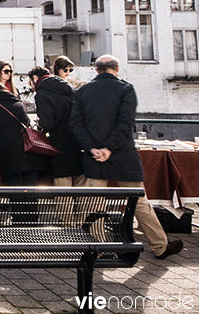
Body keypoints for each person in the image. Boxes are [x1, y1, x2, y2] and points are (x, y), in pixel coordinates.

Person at [70, 54, 183, 259]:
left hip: (94, 157)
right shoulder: (125, 89)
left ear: (96, 70)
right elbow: (125, 123)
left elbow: (77, 124)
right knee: (139, 202)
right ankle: (160, 246)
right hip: (123, 155)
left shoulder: (82, 91)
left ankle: (99, 247)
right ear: (117, 69)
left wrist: (94, 148)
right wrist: (109, 148)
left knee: (95, 203)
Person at [0, 81, 49, 225]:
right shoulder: (18, 103)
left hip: (10, 152)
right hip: (29, 152)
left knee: (16, 189)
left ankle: (19, 222)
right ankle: (32, 221)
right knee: (30, 188)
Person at [28, 66, 83, 186]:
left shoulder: (42, 94)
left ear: (35, 78)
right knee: (80, 191)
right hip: (77, 142)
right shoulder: (70, 89)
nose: (31, 86)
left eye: (30, 82)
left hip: (59, 144)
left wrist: (39, 124)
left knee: (63, 192)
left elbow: (48, 124)